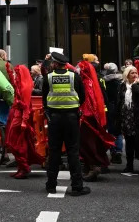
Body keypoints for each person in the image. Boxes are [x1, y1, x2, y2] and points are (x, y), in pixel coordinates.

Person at [42, 51, 90, 196]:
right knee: (73, 151)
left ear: (55, 64)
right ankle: (77, 186)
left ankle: (51, 185)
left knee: (54, 151)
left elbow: (44, 98)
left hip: (54, 119)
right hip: (71, 118)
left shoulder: (48, 78)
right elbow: (82, 96)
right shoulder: (74, 76)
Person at [5, 63, 44, 179]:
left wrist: (23, 121)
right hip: (18, 116)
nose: (15, 75)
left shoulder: (25, 87)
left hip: (21, 118)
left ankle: (24, 167)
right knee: (17, 142)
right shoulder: (21, 84)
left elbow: (26, 105)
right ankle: (22, 167)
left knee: (17, 143)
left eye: (17, 73)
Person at [78, 60, 115, 182]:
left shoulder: (87, 83)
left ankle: (93, 166)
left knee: (87, 143)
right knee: (89, 142)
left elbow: (90, 102)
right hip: (90, 118)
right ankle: (90, 166)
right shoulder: (89, 81)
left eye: (81, 69)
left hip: (88, 119)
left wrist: (84, 114)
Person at [118, 65, 139, 175]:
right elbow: (119, 101)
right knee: (129, 143)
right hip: (126, 118)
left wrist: (135, 86)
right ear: (127, 75)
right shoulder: (122, 86)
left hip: (138, 118)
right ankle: (129, 165)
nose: (135, 75)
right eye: (132, 73)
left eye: (136, 73)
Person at [102, 62, 124, 164]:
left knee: (110, 129)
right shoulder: (121, 81)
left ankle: (113, 151)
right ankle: (118, 151)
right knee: (118, 130)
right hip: (119, 106)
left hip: (109, 106)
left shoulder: (105, 82)